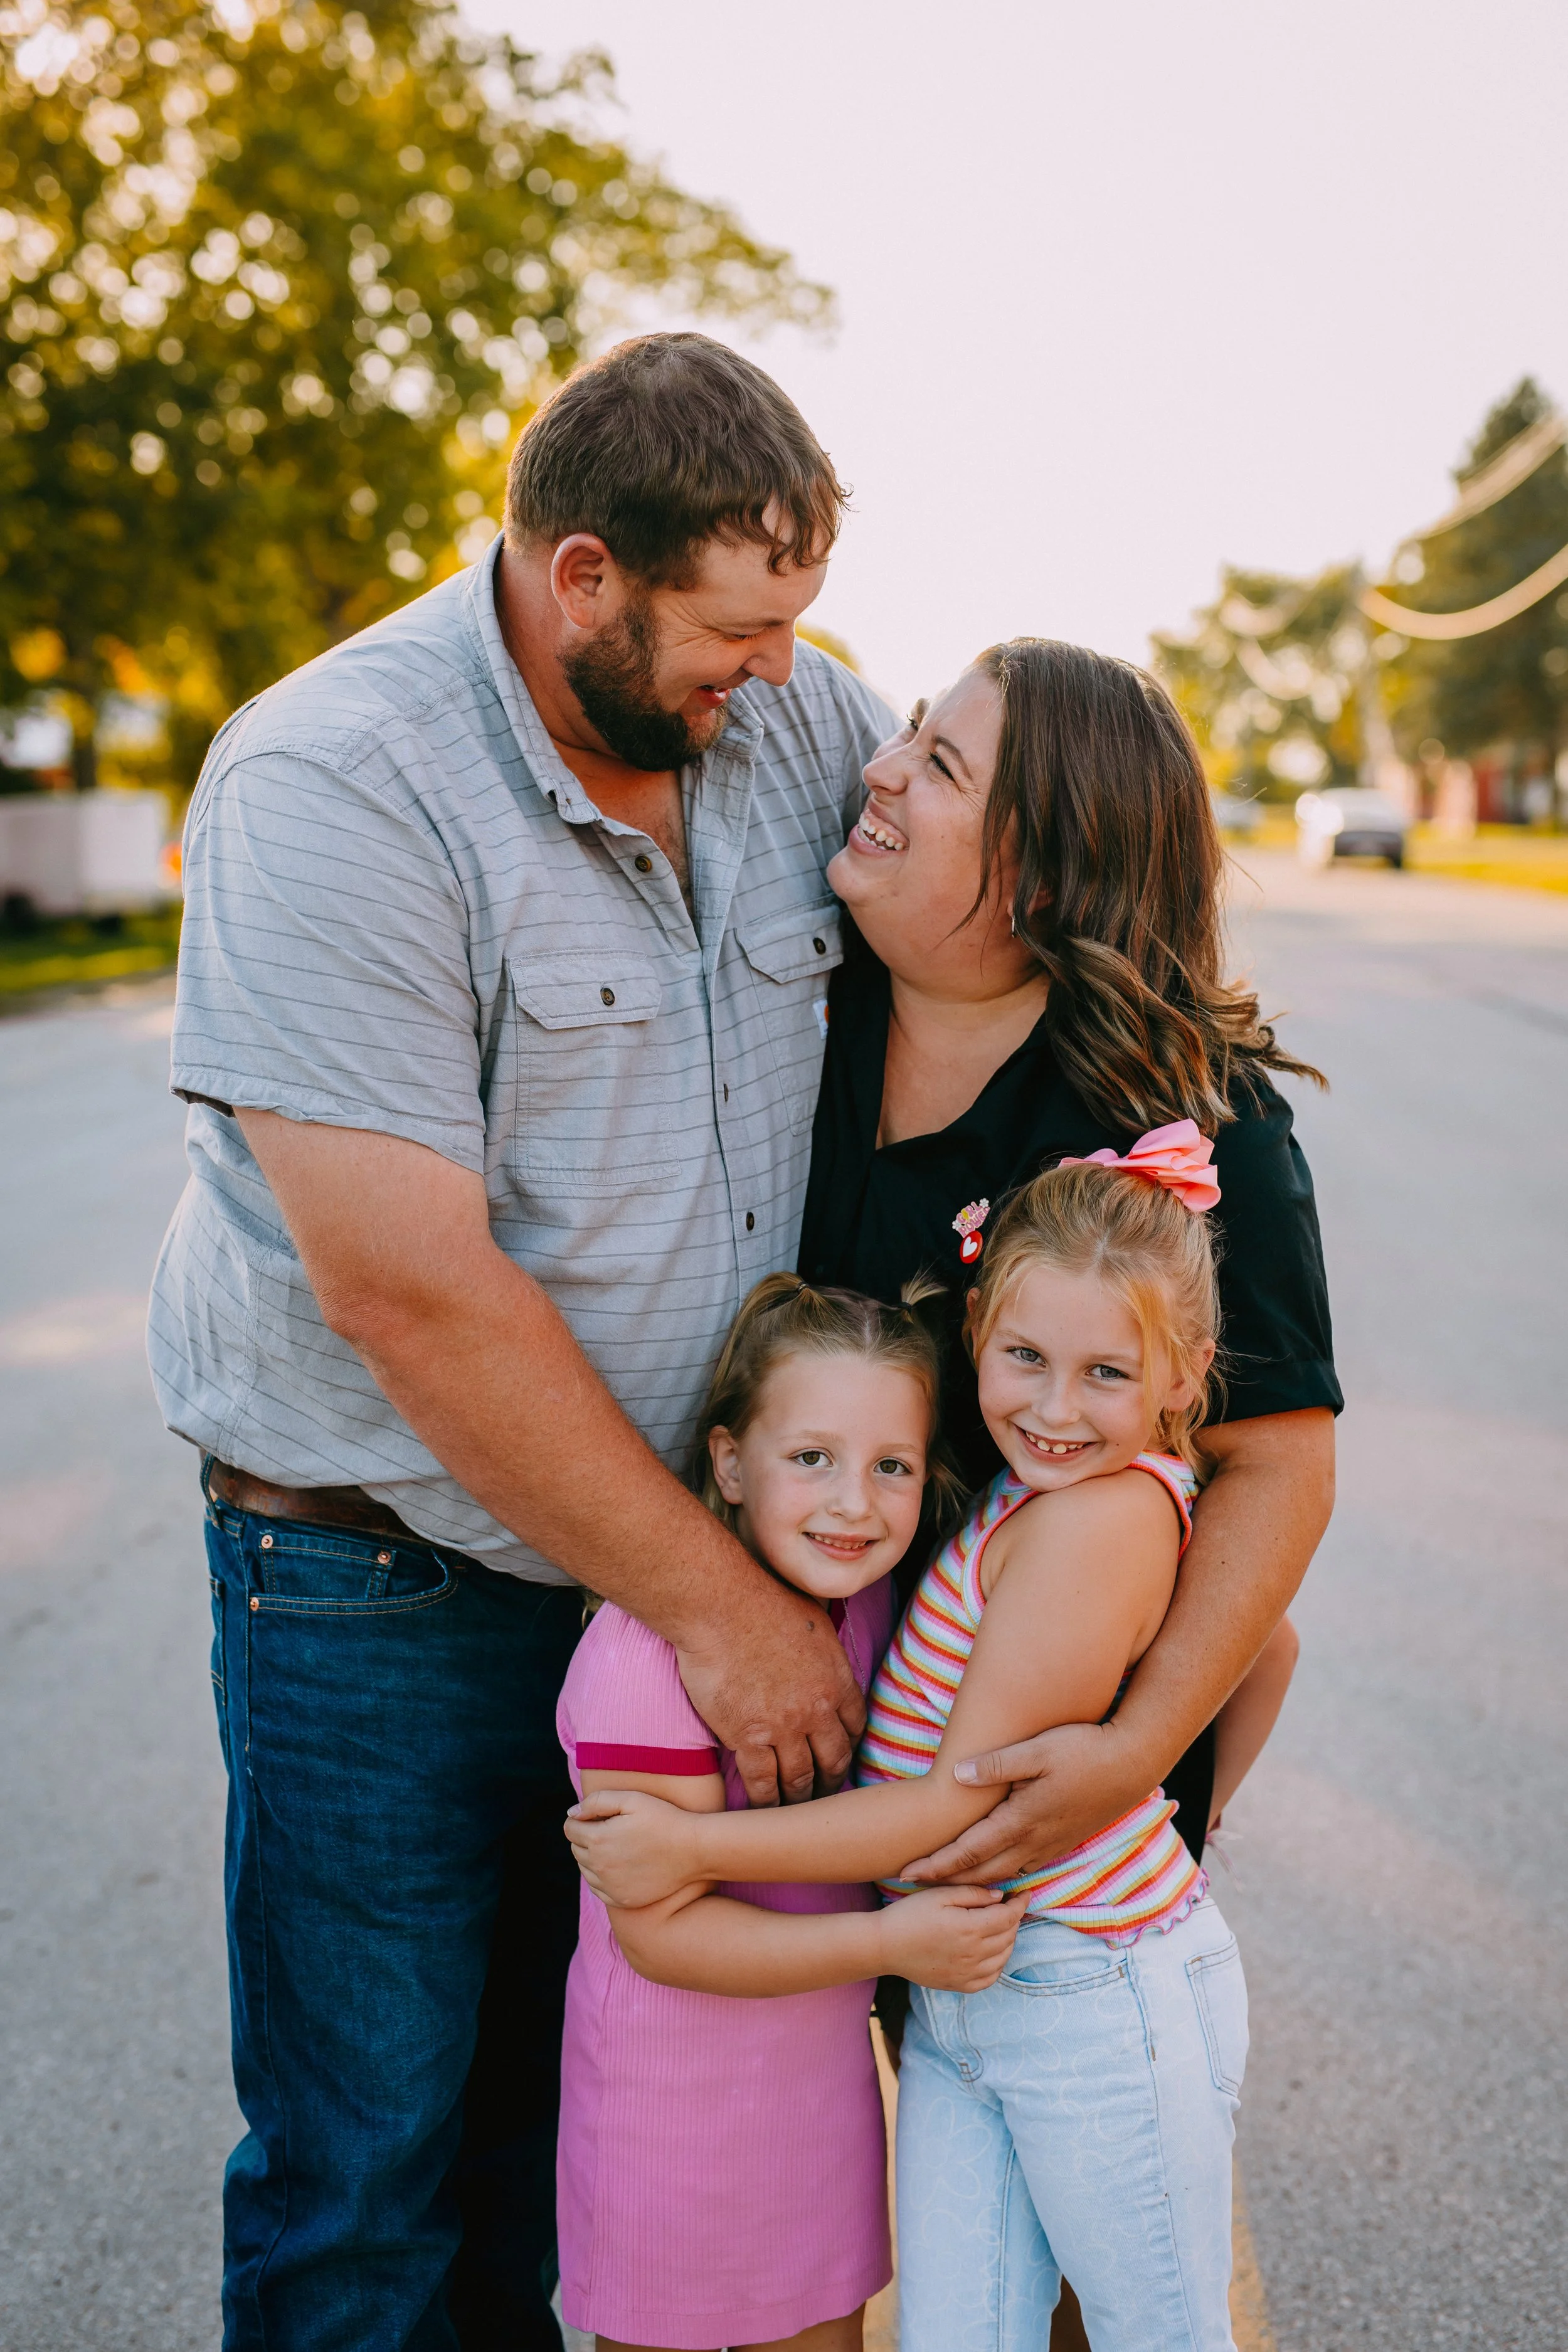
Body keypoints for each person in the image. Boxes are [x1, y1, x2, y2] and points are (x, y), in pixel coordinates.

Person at [146, 332, 901, 2351]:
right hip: (374, 1576)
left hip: (662, 1584)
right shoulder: (333, 781)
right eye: (738, 631)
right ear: (583, 577)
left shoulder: (799, 721)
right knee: (371, 2175)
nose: (784, 673)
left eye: (800, 624)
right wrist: (727, 1615)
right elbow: (410, 1289)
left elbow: (1000, 923)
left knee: (576, 2160)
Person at [568, 1131, 1296, 2349]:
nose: (1054, 1410)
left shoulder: (1093, 1524)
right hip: (974, 1988)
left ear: (1185, 1376)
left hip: (1087, 1989)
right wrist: (1189, 1798)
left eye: (1104, 1375)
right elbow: (1263, 1647)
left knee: (1156, 2334)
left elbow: (951, 1805)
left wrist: (692, 1853)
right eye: (1024, 1359)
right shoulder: (1040, 1491)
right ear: (975, 1337)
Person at [554, 1274, 1027, 2352]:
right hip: (664, 2118)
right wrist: (892, 1941)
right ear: (729, 1461)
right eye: (811, 1457)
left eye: (891, 1466)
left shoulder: (867, 1602)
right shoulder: (643, 1655)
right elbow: (660, 1929)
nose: (854, 1502)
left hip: (815, 2100)